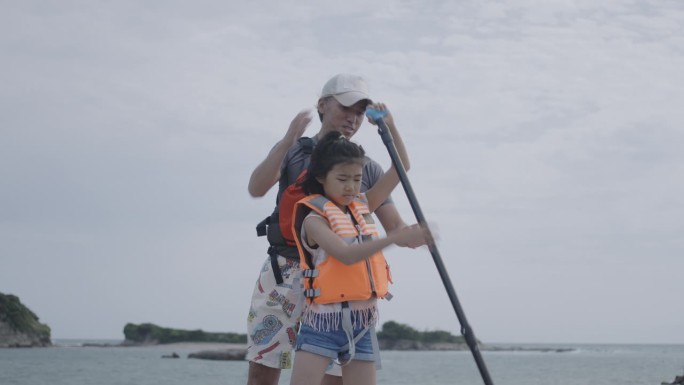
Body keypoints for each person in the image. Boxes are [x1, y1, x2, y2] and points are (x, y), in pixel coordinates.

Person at [246, 74, 415, 385]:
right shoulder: (294, 150)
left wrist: (414, 237)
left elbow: (394, 224)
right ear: (322, 105)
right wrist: (286, 142)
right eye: (346, 108)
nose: (352, 119)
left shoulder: (366, 168)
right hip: (284, 270)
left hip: (337, 284)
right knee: (263, 370)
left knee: (334, 379)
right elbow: (256, 187)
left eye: (360, 112)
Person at [289, 131, 429, 385]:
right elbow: (347, 255)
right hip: (321, 324)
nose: (351, 187)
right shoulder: (314, 220)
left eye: (357, 179)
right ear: (321, 177)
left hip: (362, 325)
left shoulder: (363, 204)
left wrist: (389, 126)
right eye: (343, 179)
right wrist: (394, 238)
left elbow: (401, 167)